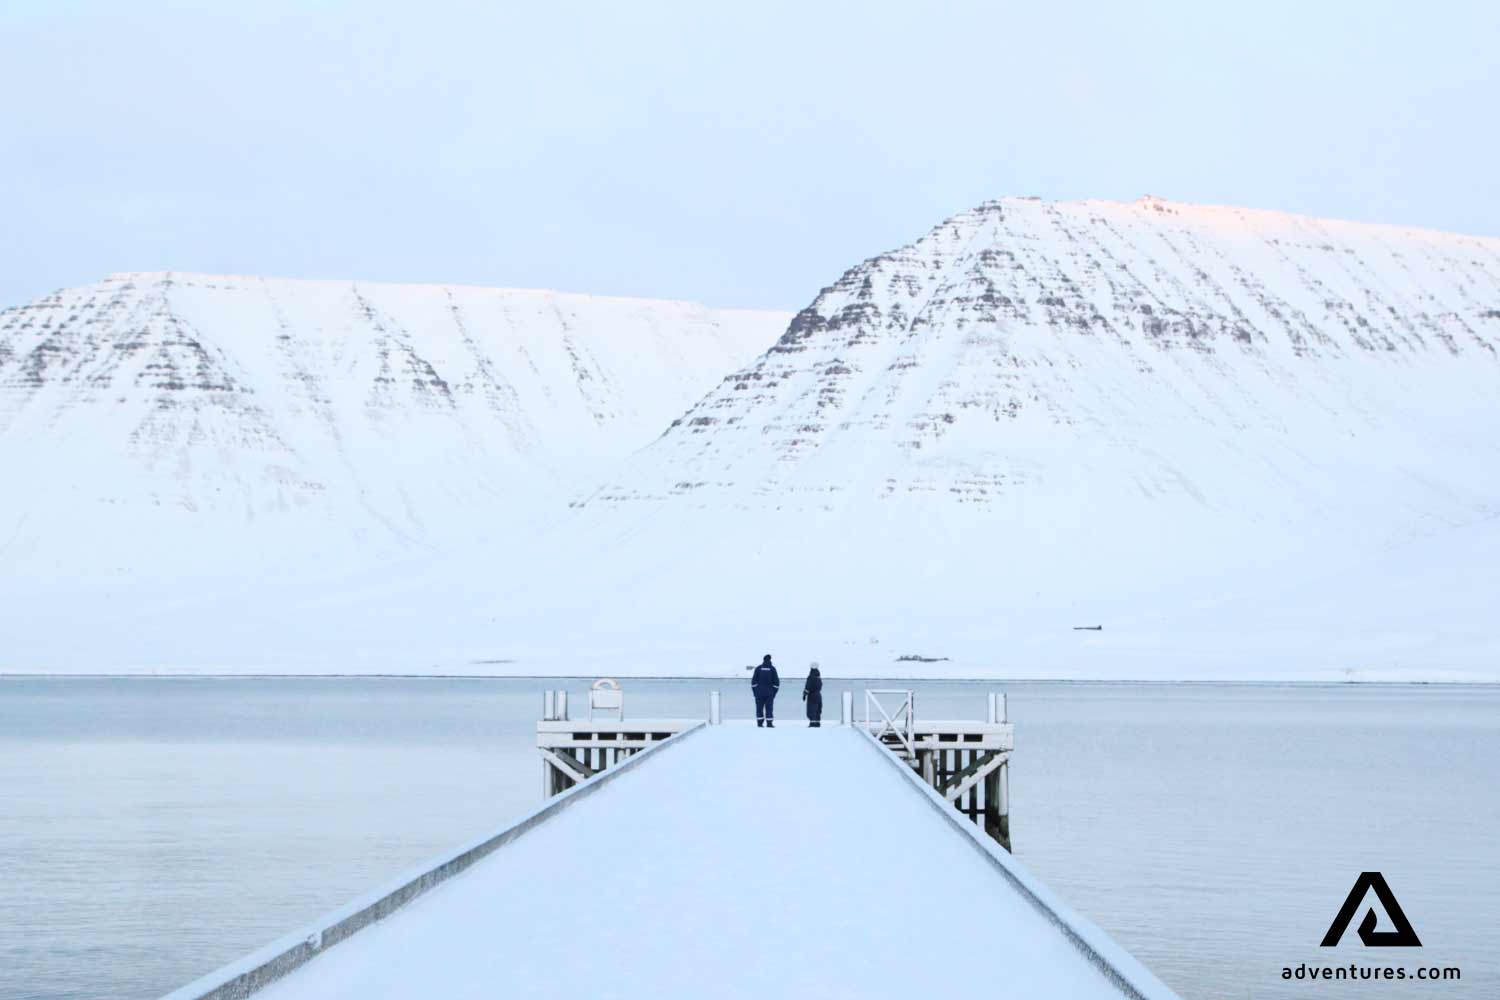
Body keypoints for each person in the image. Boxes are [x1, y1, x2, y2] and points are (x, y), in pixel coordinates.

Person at [751, 654, 779, 727]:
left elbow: (753, 682)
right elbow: (776, 683)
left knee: (759, 708)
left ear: (763, 660)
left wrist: (755, 692)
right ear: (770, 660)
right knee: (769, 708)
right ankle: (769, 723)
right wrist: (774, 693)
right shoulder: (772, 669)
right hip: (769, 693)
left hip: (759, 693)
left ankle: (759, 723)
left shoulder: (758, 668)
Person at [803, 663, 823, 727]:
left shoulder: (811, 676)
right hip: (818, 695)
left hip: (812, 695)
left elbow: (808, 686)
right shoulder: (818, 676)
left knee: (811, 710)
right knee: (818, 709)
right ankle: (817, 723)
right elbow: (820, 685)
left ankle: (812, 723)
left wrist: (804, 694)